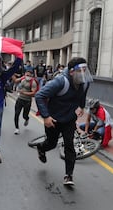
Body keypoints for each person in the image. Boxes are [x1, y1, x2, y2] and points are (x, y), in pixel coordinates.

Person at [34, 57, 92, 185]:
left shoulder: (85, 83)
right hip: (53, 119)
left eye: (85, 70)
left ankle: (68, 175)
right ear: (72, 72)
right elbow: (39, 95)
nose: (84, 74)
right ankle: (41, 148)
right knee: (51, 143)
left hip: (69, 119)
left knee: (69, 145)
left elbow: (83, 95)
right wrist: (46, 116)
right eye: (80, 71)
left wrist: (81, 106)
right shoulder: (61, 81)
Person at [12, 70, 38, 135]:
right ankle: (17, 128)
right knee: (16, 113)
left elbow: (33, 93)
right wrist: (12, 73)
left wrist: (24, 92)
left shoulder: (33, 82)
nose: (27, 76)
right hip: (20, 99)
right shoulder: (23, 78)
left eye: (29, 75)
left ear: (31, 76)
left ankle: (27, 119)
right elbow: (15, 81)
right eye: (26, 75)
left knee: (25, 115)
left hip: (27, 101)